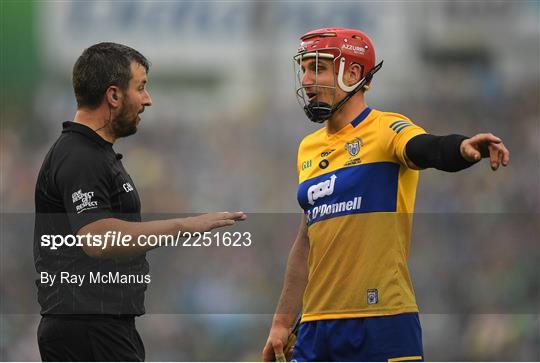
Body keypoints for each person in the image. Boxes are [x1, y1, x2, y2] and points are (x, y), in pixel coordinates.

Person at [262, 28, 509, 362]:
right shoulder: (308, 148)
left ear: (352, 73)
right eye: (304, 68)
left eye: (317, 68)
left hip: (382, 323)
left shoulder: (386, 129)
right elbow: (307, 240)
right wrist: (281, 323)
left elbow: (426, 147)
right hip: (315, 329)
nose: (306, 80)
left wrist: (461, 148)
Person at [34, 42, 246, 361]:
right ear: (114, 95)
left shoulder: (94, 154)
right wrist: (184, 225)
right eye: (141, 87)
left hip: (101, 327)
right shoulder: (81, 157)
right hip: (89, 329)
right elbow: (98, 238)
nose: (148, 99)